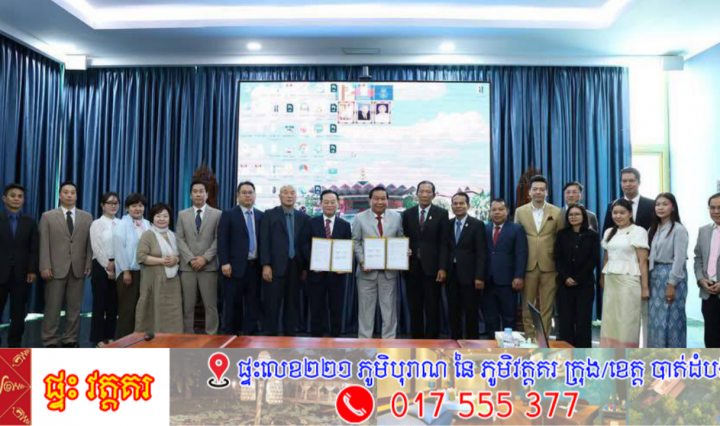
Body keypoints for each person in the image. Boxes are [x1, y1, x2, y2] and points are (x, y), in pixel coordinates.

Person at [39, 181, 93, 348]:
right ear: (59, 195)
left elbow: (90, 244)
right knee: (52, 307)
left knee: (74, 308)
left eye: (72, 192)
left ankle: (70, 338)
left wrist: (88, 263)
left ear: (76, 196)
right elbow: (43, 243)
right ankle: (49, 339)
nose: (69, 195)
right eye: (66, 192)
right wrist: (45, 266)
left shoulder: (87, 217)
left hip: (78, 268)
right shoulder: (48, 216)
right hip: (54, 269)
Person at [352, 186, 405, 339]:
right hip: (366, 273)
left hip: (389, 273)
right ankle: (364, 343)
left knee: (389, 311)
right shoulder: (359, 218)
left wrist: (404, 250)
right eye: (376, 198)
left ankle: (389, 343)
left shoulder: (396, 217)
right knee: (365, 311)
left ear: (387, 200)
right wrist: (362, 261)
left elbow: (400, 238)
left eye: (383, 198)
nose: (380, 202)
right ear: (370, 200)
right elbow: (356, 241)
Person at [514, 175, 563, 338]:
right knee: (527, 305)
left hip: (549, 265)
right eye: (535, 189)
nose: (538, 192)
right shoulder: (520, 212)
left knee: (547, 306)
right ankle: (529, 338)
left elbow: (560, 239)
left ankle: (543, 339)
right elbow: (517, 239)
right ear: (529, 192)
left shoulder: (556, 212)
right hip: (527, 264)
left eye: (542, 189)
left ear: (547, 192)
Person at [401, 181, 449, 339]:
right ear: (417, 194)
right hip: (412, 268)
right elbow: (403, 239)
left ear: (434, 195)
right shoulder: (407, 214)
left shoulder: (442, 213)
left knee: (432, 307)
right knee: (414, 307)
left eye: (428, 192)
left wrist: (442, 268)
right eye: (421, 191)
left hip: (433, 269)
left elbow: (444, 243)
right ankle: (416, 340)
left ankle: (432, 341)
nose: (424, 194)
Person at [301, 189, 352, 337]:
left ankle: (336, 338)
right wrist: (314, 262)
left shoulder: (345, 225)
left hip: (337, 275)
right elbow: (304, 245)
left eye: (332, 202)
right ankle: (316, 339)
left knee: (336, 308)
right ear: (321, 204)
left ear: (338, 204)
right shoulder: (311, 223)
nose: (329, 205)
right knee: (316, 308)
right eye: (326, 202)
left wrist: (344, 265)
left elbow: (347, 247)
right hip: (316, 274)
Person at [600, 199, 650, 348]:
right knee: (610, 319)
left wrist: (645, 288)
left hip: (629, 281)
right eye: (615, 213)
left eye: (622, 212)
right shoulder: (609, 232)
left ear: (630, 213)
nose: (618, 216)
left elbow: (643, 261)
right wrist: (602, 278)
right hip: (611, 280)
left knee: (627, 320)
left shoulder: (638, 231)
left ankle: (626, 354)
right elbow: (606, 258)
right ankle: (608, 353)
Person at [260, 185, 309, 336]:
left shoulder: (303, 217)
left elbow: (305, 244)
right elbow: (264, 241)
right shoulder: (269, 214)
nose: (289, 195)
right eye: (285, 193)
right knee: (272, 304)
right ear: (279, 196)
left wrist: (305, 267)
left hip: (296, 267)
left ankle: (289, 336)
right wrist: (266, 265)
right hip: (275, 267)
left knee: (292, 304)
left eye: (292, 193)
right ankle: (270, 335)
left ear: (296, 197)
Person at [217, 181, 264, 335]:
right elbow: (222, 241)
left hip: (255, 267)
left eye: (250, 192)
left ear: (255, 195)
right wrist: (224, 262)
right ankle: (232, 335)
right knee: (233, 303)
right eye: (244, 193)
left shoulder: (261, 216)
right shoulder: (228, 215)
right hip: (233, 267)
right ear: (238, 196)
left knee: (253, 303)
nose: (247, 195)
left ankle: (250, 334)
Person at [176, 180, 221, 335]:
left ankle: (212, 335)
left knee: (211, 305)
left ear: (206, 194)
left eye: (201, 191)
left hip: (209, 267)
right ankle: (187, 335)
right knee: (187, 305)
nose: (198, 194)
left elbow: (218, 239)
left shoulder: (217, 214)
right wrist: (191, 259)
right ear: (190, 195)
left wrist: (204, 259)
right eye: (195, 191)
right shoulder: (182, 214)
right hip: (188, 268)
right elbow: (179, 239)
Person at [553, 204, 599, 348]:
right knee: (565, 322)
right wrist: (566, 277)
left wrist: (578, 278)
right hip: (564, 284)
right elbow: (557, 258)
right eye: (571, 214)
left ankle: (582, 355)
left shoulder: (592, 235)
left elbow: (593, 260)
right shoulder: (561, 234)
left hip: (585, 284)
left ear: (583, 216)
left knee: (583, 322)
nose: (573, 217)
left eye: (577, 214)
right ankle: (566, 354)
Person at [647, 193, 688, 348]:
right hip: (655, 276)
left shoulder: (679, 229)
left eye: (665, 204)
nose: (660, 207)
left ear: (673, 208)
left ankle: (674, 358)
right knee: (655, 321)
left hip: (672, 276)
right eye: (658, 204)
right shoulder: (653, 229)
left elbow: (680, 259)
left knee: (672, 320)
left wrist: (672, 284)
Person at [0, 184, 38, 348]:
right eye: (13, 195)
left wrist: (32, 270)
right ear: (4, 198)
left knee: (18, 313)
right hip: (1, 272)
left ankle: (14, 346)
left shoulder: (29, 222)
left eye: (20, 196)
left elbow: (34, 248)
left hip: (22, 274)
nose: (16, 199)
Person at [135, 203, 183, 334]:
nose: (162, 219)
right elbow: (141, 257)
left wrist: (175, 260)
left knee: (173, 313)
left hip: (172, 282)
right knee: (152, 311)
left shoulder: (173, 235)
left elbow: (180, 256)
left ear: (170, 218)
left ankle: (172, 340)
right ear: (152, 218)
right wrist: (162, 261)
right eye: (158, 216)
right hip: (153, 281)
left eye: (165, 216)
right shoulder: (147, 235)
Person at [446, 192, 486, 340]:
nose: (458, 206)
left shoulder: (477, 224)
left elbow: (481, 253)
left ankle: (472, 344)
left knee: (471, 312)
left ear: (468, 205)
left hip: (470, 277)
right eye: (455, 203)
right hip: (451, 275)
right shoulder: (448, 224)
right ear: (451, 206)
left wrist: (479, 276)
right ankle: (454, 342)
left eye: (461, 203)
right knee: (453, 312)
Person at [484, 198, 527, 334]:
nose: (497, 212)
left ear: (507, 211)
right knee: (490, 319)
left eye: (500, 209)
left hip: (508, 282)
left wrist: (519, 276)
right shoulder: (484, 228)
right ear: (490, 212)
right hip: (487, 282)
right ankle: (492, 344)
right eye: (494, 210)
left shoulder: (517, 229)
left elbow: (521, 254)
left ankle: (509, 346)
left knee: (509, 318)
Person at [113, 192, 152, 339]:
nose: (138, 209)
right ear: (127, 208)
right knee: (127, 308)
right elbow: (119, 249)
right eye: (134, 206)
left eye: (140, 206)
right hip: (128, 272)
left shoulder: (148, 224)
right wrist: (126, 271)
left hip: (145, 271)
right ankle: (124, 340)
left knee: (143, 307)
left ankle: (139, 338)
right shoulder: (121, 224)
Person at [89, 192, 120, 347]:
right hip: (101, 266)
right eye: (109, 203)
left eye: (116, 203)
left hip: (119, 265)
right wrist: (108, 266)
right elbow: (97, 246)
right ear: (102, 205)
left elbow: (124, 245)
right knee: (100, 304)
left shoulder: (121, 223)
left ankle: (110, 336)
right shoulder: (97, 224)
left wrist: (117, 264)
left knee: (114, 305)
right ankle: (98, 339)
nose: (113, 206)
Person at [694, 192, 720, 348]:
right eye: (712, 207)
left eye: (719, 208)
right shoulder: (704, 230)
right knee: (711, 339)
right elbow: (698, 258)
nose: (716, 211)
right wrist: (700, 279)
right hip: (708, 292)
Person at [602, 167, 654, 232]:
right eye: (624, 181)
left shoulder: (651, 205)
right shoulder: (612, 205)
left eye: (631, 181)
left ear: (639, 182)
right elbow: (606, 231)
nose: (628, 184)